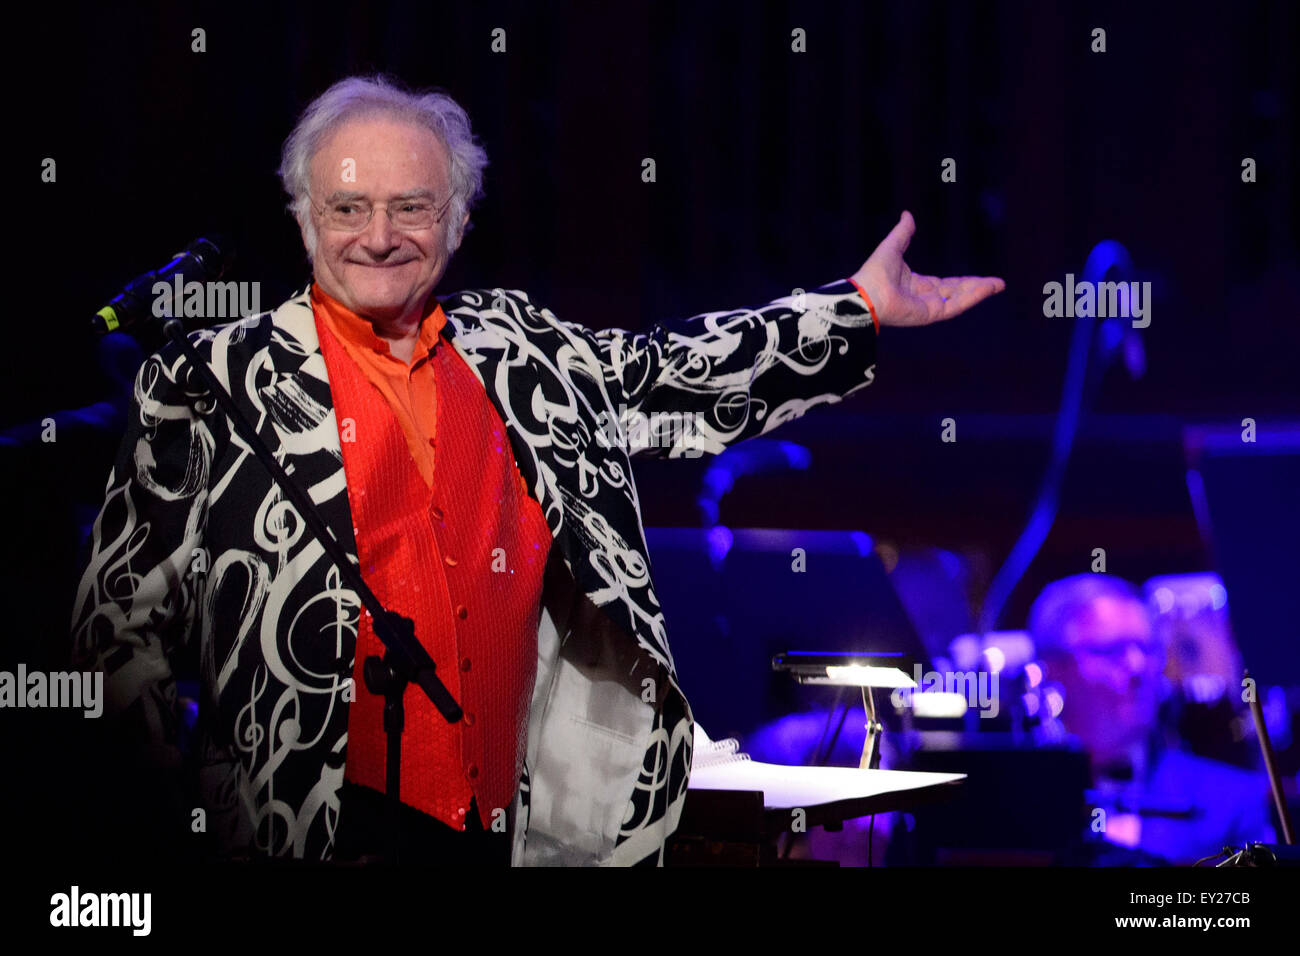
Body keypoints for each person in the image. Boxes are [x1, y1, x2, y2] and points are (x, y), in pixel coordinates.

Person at [70, 74, 1005, 866]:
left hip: (518, 832)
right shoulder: (212, 380)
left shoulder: (524, 355)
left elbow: (675, 374)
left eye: (412, 206)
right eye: (347, 207)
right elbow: (117, 627)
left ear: (459, 218)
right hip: (294, 830)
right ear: (305, 216)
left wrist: (858, 310)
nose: (379, 235)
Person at [1028, 573, 1276, 863]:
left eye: (1148, 649)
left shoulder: (1233, 800)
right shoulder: (1017, 798)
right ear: (1053, 668)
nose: (1137, 667)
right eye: (1111, 650)